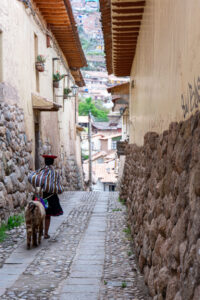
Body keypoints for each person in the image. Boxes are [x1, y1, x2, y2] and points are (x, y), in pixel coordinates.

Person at [42, 154, 63, 239]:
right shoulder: (55, 173)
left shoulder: (40, 171)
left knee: (39, 213)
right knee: (47, 215)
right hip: (50, 197)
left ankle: (39, 231)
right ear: (52, 163)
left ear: (45, 162)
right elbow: (58, 186)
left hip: (40, 196)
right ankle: (45, 233)